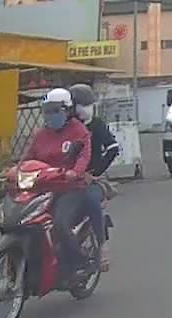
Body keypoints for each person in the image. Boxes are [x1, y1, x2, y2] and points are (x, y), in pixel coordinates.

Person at [23, 88, 92, 272]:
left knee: (61, 224)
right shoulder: (41, 135)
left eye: (55, 110)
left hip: (70, 189)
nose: (50, 115)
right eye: (47, 111)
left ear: (68, 110)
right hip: (42, 188)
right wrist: (14, 170)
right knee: (22, 222)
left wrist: (74, 172)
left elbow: (83, 156)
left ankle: (78, 263)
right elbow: (28, 158)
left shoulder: (79, 131)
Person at [68, 84, 119, 271]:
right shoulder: (67, 126)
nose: (85, 109)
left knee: (90, 200)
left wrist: (95, 173)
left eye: (88, 104)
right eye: (82, 104)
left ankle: (102, 245)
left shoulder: (97, 125)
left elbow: (113, 149)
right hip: (66, 179)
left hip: (92, 180)